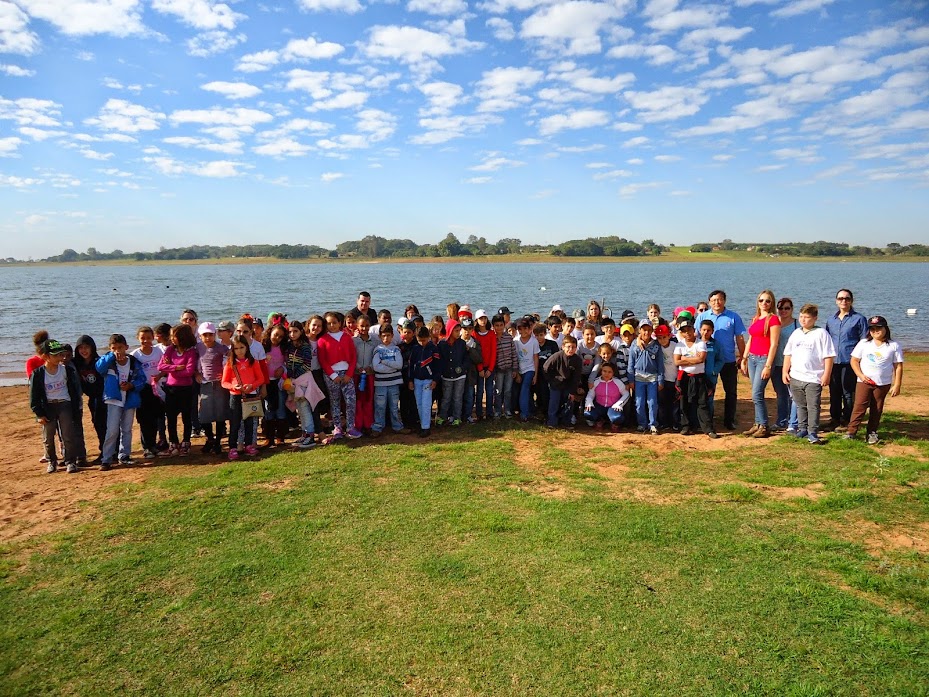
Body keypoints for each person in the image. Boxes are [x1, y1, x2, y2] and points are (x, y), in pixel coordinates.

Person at [782, 304, 836, 446]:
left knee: (813, 406)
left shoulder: (821, 333)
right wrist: (785, 371)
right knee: (800, 405)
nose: (803, 320)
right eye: (801, 317)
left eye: (807, 317)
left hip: (813, 377)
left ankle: (813, 432)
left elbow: (829, 356)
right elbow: (788, 354)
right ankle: (802, 428)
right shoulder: (796, 333)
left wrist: (826, 374)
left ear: (815, 318)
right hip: (796, 376)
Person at [846, 316, 904, 445]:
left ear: (885, 328)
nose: (875, 331)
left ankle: (872, 432)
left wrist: (897, 384)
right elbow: (854, 361)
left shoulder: (893, 345)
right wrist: (861, 375)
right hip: (864, 382)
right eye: (872, 328)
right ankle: (851, 432)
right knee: (859, 406)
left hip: (883, 383)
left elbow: (898, 366)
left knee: (877, 408)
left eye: (878, 328)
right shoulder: (864, 343)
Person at [29, 339, 83, 474]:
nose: (60, 358)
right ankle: (51, 461)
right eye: (56, 355)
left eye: (60, 354)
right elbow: (34, 396)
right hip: (48, 407)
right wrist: (39, 413)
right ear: (45, 356)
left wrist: (76, 408)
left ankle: (70, 461)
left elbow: (74, 391)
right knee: (48, 437)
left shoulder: (67, 370)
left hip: (65, 404)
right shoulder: (38, 374)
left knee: (68, 435)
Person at [696, 290, 746, 430]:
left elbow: (740, 338)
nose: (716, 303)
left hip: (728, 360)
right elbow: (695, 336)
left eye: (719, 299)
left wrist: (743, 357)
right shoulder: (703, 316)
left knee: (730, 392)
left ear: (724, 300)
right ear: (709, 302)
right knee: (706, 391)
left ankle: (729, 420)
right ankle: (707, 420)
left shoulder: (733, 317)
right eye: (713, 300)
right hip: (707, 360)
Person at [96, 333, 146, 470]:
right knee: (112, 430)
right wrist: (111, 356)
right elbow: (99, 368)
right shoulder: (108, 362)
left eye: (120, 347)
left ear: (126, 347)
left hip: (129, 399)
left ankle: (124, 455)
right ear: (110, 348)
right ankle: (106, 459)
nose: (117, 350)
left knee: (127, 429)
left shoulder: (134, 362)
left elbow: (142, 379)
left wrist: (131, 385)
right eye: (114, 348)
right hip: (114, 399)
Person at [740, 290, 782, 438]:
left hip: (764, 359)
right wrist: (744, 358)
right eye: (761, 300)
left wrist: (768, 365)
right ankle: (757, 423)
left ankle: (764, 426)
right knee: (755, 392)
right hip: (752, 358)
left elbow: (774, 344)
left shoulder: (773, 320)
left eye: (767, 301)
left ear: (772, 303)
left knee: (756, 393)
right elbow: (750, 339)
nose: (764, 303)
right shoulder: (756, 318)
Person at [826, 289, 868, 431]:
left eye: (847, 298)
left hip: (850, 362)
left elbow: (864, 341)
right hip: (833, 362)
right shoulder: (831, 320)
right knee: (834, 392)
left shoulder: (859, 319)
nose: (844, 301)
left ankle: (848, 420)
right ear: (836, 301)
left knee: (848, 392)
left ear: (851, 300)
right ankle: (835, 419)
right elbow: (827, 341)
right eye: (840, 298)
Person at [221, 335, 268, 459]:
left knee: (249, 422)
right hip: (236, 396)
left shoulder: (253, 362)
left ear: (246, 347)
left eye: (242, 347)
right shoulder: (230, 363)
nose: (239, 351)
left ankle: (249, 445)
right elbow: (224, 382)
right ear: (233, 350)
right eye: (236, 348)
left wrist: (252, 386)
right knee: (235, 423)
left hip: (250, 395)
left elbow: (261, 378)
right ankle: (232, 447)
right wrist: (233, 386)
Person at [317, 311, 361, 440]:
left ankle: (350, 427)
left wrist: (349, 374)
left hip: (347, 373)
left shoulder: (347, 337)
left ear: (340, 323)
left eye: (334, 323)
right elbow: (322, 360)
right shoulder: (322, 340)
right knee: (334, 401)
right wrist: (332, 375)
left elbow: (353, 357)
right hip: (331, 375)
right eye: (329, 323)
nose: (332, 325)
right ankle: (337, 428)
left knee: (350, 400)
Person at [157, 323, 198, 457]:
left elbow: (189, 371)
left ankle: (186, 442)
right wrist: (176, 368)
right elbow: (161, 366)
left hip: (186, 388)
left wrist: (172, 369)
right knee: (171, 417)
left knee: (186, 416)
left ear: (182, 337)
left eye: (174, 336)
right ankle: (173, 443)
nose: (171, 339)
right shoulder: (170, 350)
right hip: (171, 388)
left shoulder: (191, 352)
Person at [674, 320, 718, 439]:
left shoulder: (700, 343)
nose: (687, 333)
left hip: (699, 377)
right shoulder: (679, 345)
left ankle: (708, 429)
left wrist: (685, 359)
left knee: (702, 403)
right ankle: (686, 426)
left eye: (689, 330)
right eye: (684, 331)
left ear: (694, 330)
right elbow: (677, 361)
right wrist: (693, 359)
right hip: (684, 377)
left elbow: (701, 359)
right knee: (684, 402)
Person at [196, 322, 230, 455]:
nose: (208, 338)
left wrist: (225, 376)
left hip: (219, 384)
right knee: (205, 415)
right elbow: (194, 363)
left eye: (210, 335)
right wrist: (196, 374)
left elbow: (229, 360)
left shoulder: (221, 348)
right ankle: (210, 438)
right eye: (205, 335)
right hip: (205, 384)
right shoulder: (198, 347)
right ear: (200, 336)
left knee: (220, 414)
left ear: (215, 334)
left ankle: (218, 442)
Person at [132, 326, 165, 459]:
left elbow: (165, 367)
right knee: (144, 419)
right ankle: (146, 447)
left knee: (156, 417)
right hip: (143, 390)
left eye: (148, 338)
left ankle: (153, 445)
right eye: (142, 338)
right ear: (138, 338)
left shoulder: (158, 351)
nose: (146, 341)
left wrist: (159, 376)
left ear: (153, 338)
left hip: (157, 389)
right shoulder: (135, 355)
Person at [72, 334, 106, 461]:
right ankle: (104, 450)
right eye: (81, 348)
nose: (84, 350)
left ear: (92, 348)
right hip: (92, 398)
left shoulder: (98, 362)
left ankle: (109, 452)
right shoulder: (77, 363)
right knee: (97, 423)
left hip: (103, 397)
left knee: (105, 424)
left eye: (86, 347)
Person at [284, 321, 317, 448]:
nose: (292, 334)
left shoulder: (305, 346)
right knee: (299, 408)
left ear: (301, 331)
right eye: (290, 332)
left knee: (304, 407)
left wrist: (294, 375)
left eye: (295, 331)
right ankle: (304, 433)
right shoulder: (290, 346)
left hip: (303, 380)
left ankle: (310, 435)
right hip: (293, 381)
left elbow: (307, 365)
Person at [371, 323, 406, 437]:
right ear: (380, 336)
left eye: (388, 335)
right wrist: (391, 367)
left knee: (394, 406)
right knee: (380, 406)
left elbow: (399, 365)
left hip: (394, 382)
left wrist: (385, 362)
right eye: (384, 336)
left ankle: (397, 426)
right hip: (380, 383)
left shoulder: (396, 349)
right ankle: (378, 427)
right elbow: (376, 367)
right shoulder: (377, 349)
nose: (386, 338)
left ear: (392, 336)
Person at [628, 322, 663, 434]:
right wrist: (631, 380)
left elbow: (660, 364)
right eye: (644, 330)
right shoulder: (635, 344)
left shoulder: (656, 345)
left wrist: (660, 380)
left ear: (652, 331)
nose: (646, 332)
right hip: (638, 377)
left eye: (649, 330)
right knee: (639, 402)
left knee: (652, 402)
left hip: (652, 378)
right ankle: (642, 424)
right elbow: (631, 363)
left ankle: (653, 424)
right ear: (640, 330)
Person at [542, 334, 583, 427]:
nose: (570, 349)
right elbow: (545, 368)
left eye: (573, 347)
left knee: (568, 403)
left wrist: (572, 391)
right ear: (563, 347)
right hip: (555, 384)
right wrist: (551, 380)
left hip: (568, 385)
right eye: (568, 347)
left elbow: (576, 377)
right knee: (554, 403)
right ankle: (552, 421)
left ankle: (566, 422)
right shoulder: (556, 356)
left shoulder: (577, 360)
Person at [260, 322, 290, 448]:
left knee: (281, 408)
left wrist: (283, 368)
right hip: (266, 382)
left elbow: (288, 363)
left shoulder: (283, 348)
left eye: (280, 336)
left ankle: (280, 437)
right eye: (276, 334)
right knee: (269, 409)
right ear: (270, 332)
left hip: (280, 382)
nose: (277, 338)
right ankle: (269, 437)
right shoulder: (263, 347)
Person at [772, 298, 799, 433]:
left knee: (794, 395)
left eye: (787, 308)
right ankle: (782, 420)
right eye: (780, 308)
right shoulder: (774, 323)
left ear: (792, 309)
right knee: (781, 395)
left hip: (792, 365)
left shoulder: (797, 325)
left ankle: (793, 423)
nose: (783, 311)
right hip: (776, 364)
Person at [409, 325, 439, 437]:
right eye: (419, 340)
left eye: (424, 340)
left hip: (428, 380)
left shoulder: (433, 348)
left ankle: (426, 428)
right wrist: (410, 380)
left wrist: (435, 380)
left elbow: (438, 366)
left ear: (429, 337)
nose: (422, 343)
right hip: (417, 380)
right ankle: (423, 425)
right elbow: (411, 365)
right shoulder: (415, 349)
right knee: (419, 404)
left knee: (426, 404)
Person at [583, 361, 629, 432]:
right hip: (599, 406)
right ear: (601, 371)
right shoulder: (596, 382)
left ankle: (614, 423)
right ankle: (599, 421)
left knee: (617, 418)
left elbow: (626, 394)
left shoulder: (618, 382)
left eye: (609, 372)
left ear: (613, 373)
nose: (606, 374)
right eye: (604, 371)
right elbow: (590, 394)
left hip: (613, 406)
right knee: (588, 413)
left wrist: (619, 404)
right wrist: (588, 402)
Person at [437, 321, 468, 426]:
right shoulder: (442, 344)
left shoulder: (462, 343)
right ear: (450, 331)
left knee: (457, 398)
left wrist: (462, 368)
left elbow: (466, 359)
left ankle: (457, 418)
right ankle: (442, 417)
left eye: (459, 331)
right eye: (456, 331)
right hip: (446, 376)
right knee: (446, 398)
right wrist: (442, 370)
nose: (459, 333)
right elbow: (439, 359)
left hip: (460, 376)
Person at [353, 315, 376, 434]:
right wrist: (357, 367)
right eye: (362, 326)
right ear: (357, 326)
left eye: (367, 325)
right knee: (357, 400)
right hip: (356, 374)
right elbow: (351, 356)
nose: (364, 328)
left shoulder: (375, 341)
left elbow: (377, 356)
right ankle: (358, 424)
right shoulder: (353, 341)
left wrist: (371, 367)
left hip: (370, 374)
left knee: (368, 399)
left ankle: (368, 424)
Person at [513, 318, 539, 422]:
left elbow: (535, 358)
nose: (523, 331)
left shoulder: (534, 341)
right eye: (520, 329)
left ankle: (524, 414)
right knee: (524, 391)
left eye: (525, 328)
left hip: (530, 369)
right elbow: (514, 357)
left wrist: (535, 374)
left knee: (524, 389)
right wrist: (517, 373)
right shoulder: (516, 341)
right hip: (519, 369)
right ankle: (531, 410)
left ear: (529, 329)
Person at [472, 310, 496, 420]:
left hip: (489, 367)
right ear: (476, 320)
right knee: (480, 390)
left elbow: (493, 352)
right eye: (481, 318)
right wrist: (480, 368)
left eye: (485, 318)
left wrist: (490, 369)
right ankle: (479, 413)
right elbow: (475, 353)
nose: (483, 320)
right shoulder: (474, 334)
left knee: (490, 390)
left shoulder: (491, 334)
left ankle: (490, 412)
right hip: (479, 367)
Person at [492, 314, 517, 419]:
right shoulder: (492, 338)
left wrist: (515, 368)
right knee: (498, 391)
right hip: (498, 370)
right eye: (497, 325)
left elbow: (513, 353)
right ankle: (497, 410)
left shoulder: (508, 337)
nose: (499, 328)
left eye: (501, 325)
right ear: (493, 326)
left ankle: (507, 410)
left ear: (504, 325)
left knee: (508, 391)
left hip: (509, 368)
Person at [655, 324, 679, 431]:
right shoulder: (656, 347)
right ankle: (664, 423)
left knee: (675, 402)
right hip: (663, 379)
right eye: (659, 338)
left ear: (669, 336)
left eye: (664, 337)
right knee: (662, 402)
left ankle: (675, 423)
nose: (662, 340)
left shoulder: (675, 346)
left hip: (674, 378)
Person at [460, 317, 483, 424]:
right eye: (465, 329)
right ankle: (457, 415)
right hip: (458, 375)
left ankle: (468, 415)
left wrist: (470, 350)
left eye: (469, 329)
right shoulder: (457, 341)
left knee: (469, 396)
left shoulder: (475, 343)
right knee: (458, 396)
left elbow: (479, 359)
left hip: (470, 375)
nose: (467, 331)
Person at [532, 323, 558, 420]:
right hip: (538, 373)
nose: (539, 338)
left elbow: (556, 359)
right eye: (536, 335)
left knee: (548, 392)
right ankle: (540, 410)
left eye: (541, 335)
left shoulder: (552, 344)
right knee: (539, 391)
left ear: (545, 334)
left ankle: (548, 411)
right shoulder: (533, 345)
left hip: (550, 373)